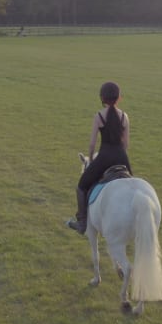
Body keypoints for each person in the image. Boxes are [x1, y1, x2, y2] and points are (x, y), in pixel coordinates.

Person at [67, 81, 133, 234]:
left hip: (104, 157)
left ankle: (82, 222)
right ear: (118, 98)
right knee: (132, 186)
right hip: (122, 157)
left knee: (82, 186)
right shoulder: (125, 117)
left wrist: (90, 160)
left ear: (102, 98)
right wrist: (120, 156)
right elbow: (126, 144)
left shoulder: (99, 116)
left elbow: (91, 145)